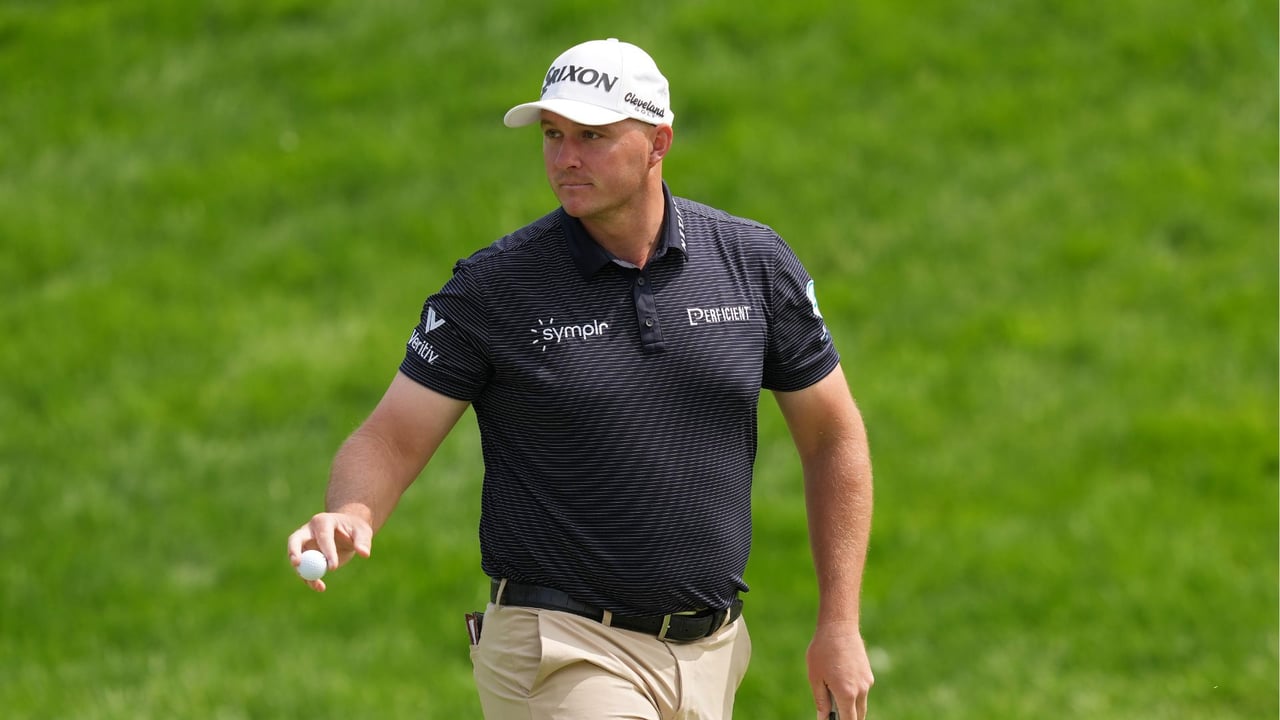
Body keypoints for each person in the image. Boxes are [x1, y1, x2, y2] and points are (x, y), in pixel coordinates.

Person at [286, 37, 875, 720]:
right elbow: (389, 437)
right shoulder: (494, 289)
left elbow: (834, 437)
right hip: (561, 649)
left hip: (713, 654)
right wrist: (352, 510)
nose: (565, 157)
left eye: (592, 136)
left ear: (659, 142)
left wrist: (839, 622)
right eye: (553, 134)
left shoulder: (753, 266)